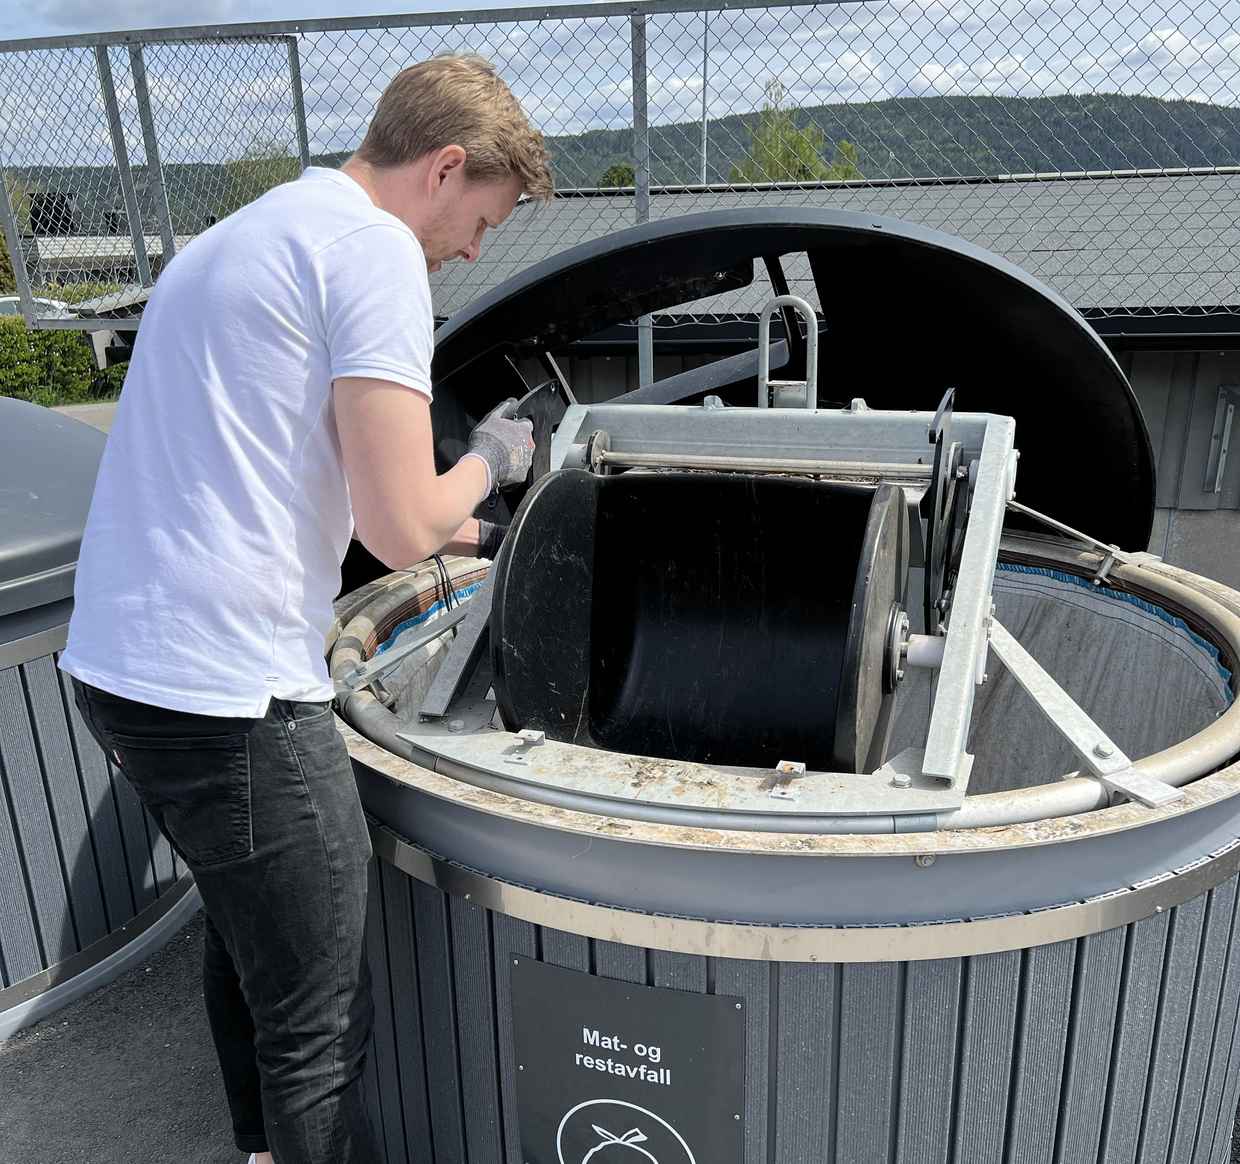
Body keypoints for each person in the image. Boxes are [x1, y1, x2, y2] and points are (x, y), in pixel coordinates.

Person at [59, 53, 553, 1163]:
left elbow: (292, 473)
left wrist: (474, 526)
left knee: (251, 943)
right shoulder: (374, 250)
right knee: (320, 1021)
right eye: (482, 219)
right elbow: (395, 527)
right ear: (444, 166)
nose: (473, 250)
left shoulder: (254, 231)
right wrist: (490, 462)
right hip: (231, 695)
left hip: (126, 670)